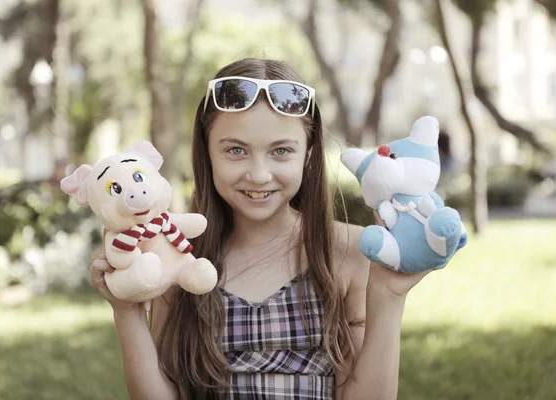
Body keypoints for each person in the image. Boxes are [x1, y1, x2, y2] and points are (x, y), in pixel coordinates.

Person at [90, 58, 433, 399]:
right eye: (236, 150)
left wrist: (389, 298)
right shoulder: (179, 258)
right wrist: (128, 311)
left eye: (281, 151)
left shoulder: (348, 252)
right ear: (207, 153)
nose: (258, 174)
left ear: (308, 155)